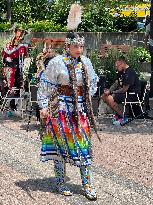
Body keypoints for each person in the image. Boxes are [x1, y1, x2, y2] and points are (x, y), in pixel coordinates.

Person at [37, 4, 99, 200]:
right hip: (61, 109)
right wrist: (44, 107)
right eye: (75, 46)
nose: (79, 49)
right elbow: (45, 85)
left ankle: (87, 183)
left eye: (81, 46)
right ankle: (61, 182)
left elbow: (94, 82)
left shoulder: (86, 62)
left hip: (79, 109)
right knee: (60, 146)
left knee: (83, 145)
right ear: (67, 46)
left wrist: (86, 97)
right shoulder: (56, 63)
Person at [102, 56, 141, 125]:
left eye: (117, 66)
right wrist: (109, 90)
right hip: (125, 94)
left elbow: (124, 89)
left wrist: (111, 92)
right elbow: (117, 83)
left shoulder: (129, 73)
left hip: (132, 95)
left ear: (122, 63)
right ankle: (119, 115)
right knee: (104, 96)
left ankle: (123, 117)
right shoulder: (122, 72)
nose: (116, 68)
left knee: (108, 97)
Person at [1, 28, 28, 110]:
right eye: (19, 33)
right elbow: (4, 55)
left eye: (21, 34)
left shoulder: (22, 46)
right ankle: (10, 104)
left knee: (18, 85)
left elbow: (24, 57)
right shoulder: (9, 45)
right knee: (12, 85)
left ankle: (13, 104)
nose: (20, 36)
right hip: (10, 68)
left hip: (18, 68)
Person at [144, 15, 153, 97]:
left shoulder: (149, 25)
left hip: (151, 46)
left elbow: (146, 37)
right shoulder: (149, 25)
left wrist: (146, 46)